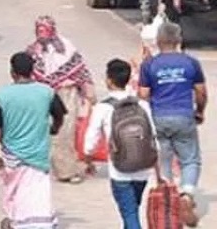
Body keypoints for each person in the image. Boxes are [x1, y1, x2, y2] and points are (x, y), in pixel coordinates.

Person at [0, 52, 67, 229]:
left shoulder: (1, 96)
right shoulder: (46, 92)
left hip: (11, 154)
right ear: (32, 71)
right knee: (37, 191)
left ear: (12, 72)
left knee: (14, 190)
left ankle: (15, 220)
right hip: (38, 154)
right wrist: (54, 128)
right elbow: (60, 114)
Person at [138, 21, 206, 224]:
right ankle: (186, 194)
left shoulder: (149, 64)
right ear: (178, 40)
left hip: (159, 117)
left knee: (163, 160)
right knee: (190, 159)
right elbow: (201, 91)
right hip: (184, 115)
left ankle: (169, 199)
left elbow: (143, 94)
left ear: (158, 41)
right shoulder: (191, 63)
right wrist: (200, 111)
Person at [85, 59, 157, 229]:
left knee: (130, 213)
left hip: (120, 170)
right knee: (132, 209)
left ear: (109, 80)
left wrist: (88, 159)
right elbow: (153, 135)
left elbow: (90, 143)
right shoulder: (142, 105)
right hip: (143, 168)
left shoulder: (102, 108)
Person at [27, 15, 95, 183]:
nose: (42, 33)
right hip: (42, 94)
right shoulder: (32, 50)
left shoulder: (66, 47)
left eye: (45, 29)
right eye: (39, 30)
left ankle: (66, 170)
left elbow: (80, 70)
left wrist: (88, 91)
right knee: (46, 131)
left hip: (66, 93)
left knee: (65, 131)